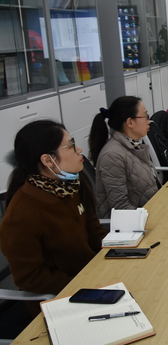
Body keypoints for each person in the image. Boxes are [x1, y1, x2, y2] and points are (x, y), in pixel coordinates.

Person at [0, 120, 105, 297]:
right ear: (48, 160)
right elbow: (30, 278)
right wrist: (84, 284)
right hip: (62, 295)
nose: (79, 149)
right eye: (70, 146)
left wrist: (117, 253)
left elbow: (94, 230)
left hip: (94, 275)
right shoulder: (21, 213)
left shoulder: (72, 185)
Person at [89, 96, 159, 219]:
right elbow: (121, 207)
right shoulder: (112, 156)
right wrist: (156, 217)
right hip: (133, 223)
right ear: (130, 122)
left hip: (151, 210)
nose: (149, 121)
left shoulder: (134, 144)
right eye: (145, 116)